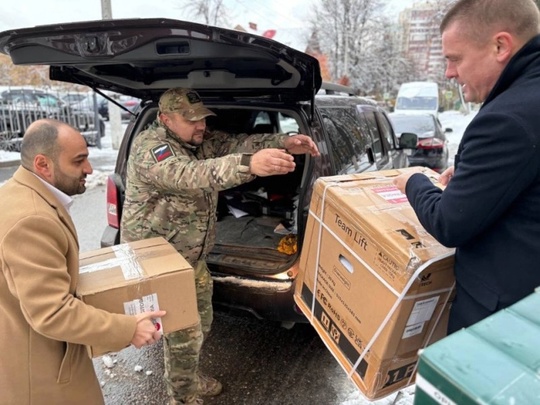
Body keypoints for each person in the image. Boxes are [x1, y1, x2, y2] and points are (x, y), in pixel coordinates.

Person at [120, 88, 320, 405]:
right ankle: (182, 396)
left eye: (202, 118)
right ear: (166, 119)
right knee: (182, 331)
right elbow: (187, 175)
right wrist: (249, 165)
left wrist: (283, 142)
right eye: (191, 120)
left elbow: (236, 143)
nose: (200, 126)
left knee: (201, 322)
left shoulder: (199, 140)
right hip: (159, 260)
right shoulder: (152, 148)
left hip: (191, 256)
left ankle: (187, 374)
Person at [393, 0, 540, 334]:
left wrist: (415, 180)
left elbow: (449, 224)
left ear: (500, 45)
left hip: (504, 323)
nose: (449, 73)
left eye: (454, 58)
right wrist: (479, 181)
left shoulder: (506, 118)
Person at [0, 119, 166, 405]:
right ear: (43, 165)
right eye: (79, 161)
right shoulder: (32, 219)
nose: (89, 169)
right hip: (40, 371)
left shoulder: (17, 193)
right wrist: (129, 328)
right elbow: (51, 313)